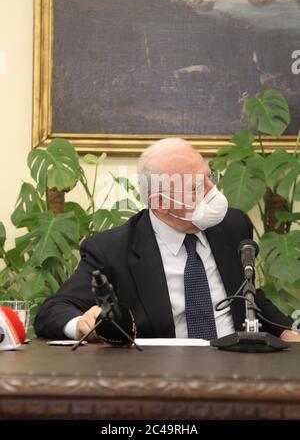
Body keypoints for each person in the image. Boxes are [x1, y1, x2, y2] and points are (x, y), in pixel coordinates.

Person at [34, 138, 300, 343]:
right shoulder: (111, 250)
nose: (213, 192)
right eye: (196, 187)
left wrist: (287, 332)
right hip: (164, 379)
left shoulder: (233, 225)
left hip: (239, 366)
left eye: (210, 177)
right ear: (160, 202)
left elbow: (248, 294)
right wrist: (82, 322)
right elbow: (53, 310)